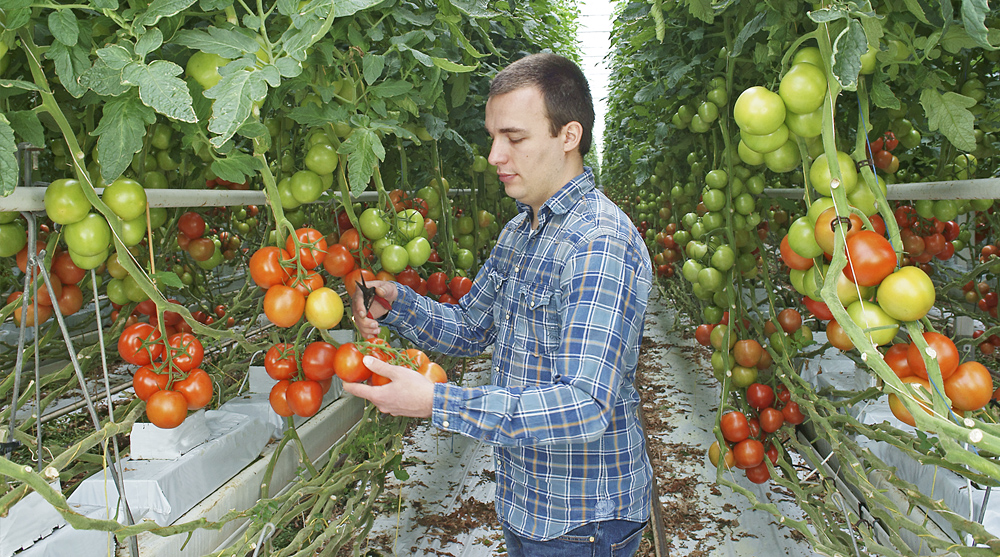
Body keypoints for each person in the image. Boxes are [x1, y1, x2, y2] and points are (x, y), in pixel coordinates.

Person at [343, 52, 653, 556]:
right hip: (526, 498)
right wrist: (396, 304)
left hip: (581, 520)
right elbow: (470, 326)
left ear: (568, 136)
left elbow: (586, 405)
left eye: (514, 137)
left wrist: (436, 402)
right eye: (493, 137)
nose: (494, 155)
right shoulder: (521, 229)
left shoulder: (598, 242)